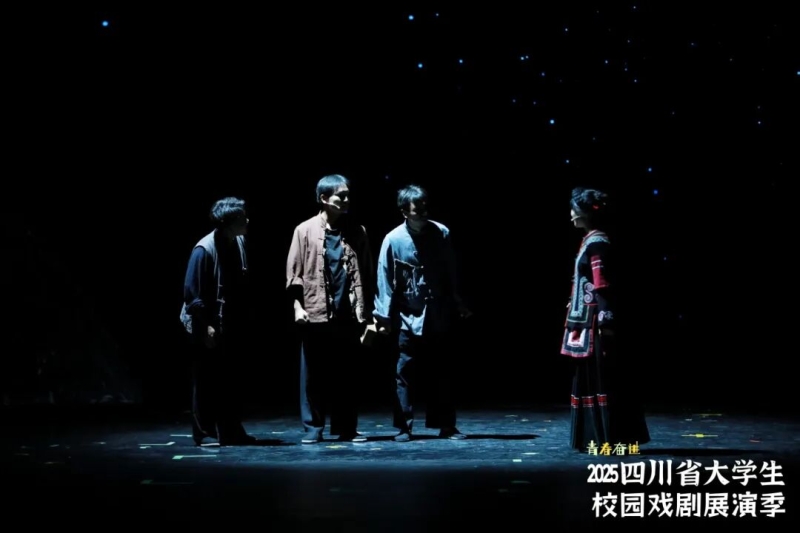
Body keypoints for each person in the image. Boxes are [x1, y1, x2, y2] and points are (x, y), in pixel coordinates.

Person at [373, 185, 472, 442]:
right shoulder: (393, 240)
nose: (425, 212)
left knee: (442, 370)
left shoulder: (441, 233)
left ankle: (446, 425)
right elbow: (384, 279)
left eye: (426, 207)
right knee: (404, 372)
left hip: (438, 314)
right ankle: (403, 427)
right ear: (405, 212)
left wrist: (458, 302)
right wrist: (383, 317)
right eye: (418, 209)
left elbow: (452, 271)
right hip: (407, 315)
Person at [560, 187, 650, 452]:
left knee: (603, 378)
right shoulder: (590, 241)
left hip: (595, 323)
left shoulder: (597, 243)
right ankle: (596, 437)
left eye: (574, 210)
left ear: (585, 213)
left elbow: (602, 285)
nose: (571, 214)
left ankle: (609, 436)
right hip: (585, 322)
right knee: (592, 378)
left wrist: (605, 322)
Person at [286, 174, 374, 444]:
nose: (346, 200)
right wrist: (297, 307)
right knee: (313, 375)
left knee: (346, 374)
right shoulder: (304, 230)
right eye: (340, 196)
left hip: (347, 314)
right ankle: (313, 428)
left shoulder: (357, 231)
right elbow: (294, 274)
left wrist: (369, 315)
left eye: (348, 195)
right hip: (315, 313)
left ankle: (346, 428)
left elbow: (366, 273)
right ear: (324, 198)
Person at [180, 197, 256, 446]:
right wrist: (206, 326)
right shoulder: (204, 249)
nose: (247, 220)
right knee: (205, 380)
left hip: (230, 322)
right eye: (242, 218)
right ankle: (204, 433)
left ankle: (231, 430)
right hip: (205, 323)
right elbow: (192, 295)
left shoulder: (238, 242)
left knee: (230, 380)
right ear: (229, 222)